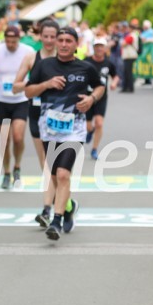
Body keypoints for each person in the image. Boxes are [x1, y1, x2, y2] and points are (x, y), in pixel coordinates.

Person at [25, 27, 105, 241]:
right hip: (49, 129)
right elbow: (28, 91)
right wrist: (46, 84)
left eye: (68, 40)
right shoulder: (44, 65)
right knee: (53, 176)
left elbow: (100, 87)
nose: (63, 44)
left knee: (62, 174)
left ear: (76, 44)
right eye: (60, 40)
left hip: (74, 130)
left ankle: (57, 220)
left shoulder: (85, 67)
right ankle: (69, 207)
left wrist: (91, 100)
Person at [13, 19, 59, 226]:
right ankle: (58, 206)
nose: (49, 41)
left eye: (53, 37)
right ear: (40, 36)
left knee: (57, 167)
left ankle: (53, 207)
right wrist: (37, 84)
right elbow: (15, 87)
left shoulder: (65, 58)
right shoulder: (32, 57)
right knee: (47, 166)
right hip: (37, 114)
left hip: (60, 117)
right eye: (46, 36)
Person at [0, 25, 33, 189]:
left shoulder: (28, 51)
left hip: (21, 100)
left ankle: (17, 167)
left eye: (14, 41)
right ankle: (6, 173)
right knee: (5, 140)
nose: (10, 44)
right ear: (4, 39)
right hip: (2, 101)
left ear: (19, 39)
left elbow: (37, 71)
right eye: (8, 41)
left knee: (18, 137)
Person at [85, 38, 118, 160]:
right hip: (87, 97)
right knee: (88, 126)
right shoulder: (86, 61)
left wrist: (114, 83)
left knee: (99, 123)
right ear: (93, 48)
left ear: (105, 48)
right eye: (97, 46)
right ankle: (89, 130)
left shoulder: (109, 63)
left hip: (101, 97)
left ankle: (94, 149)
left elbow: (115, 76)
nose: (99, 48)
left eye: (101, 46)